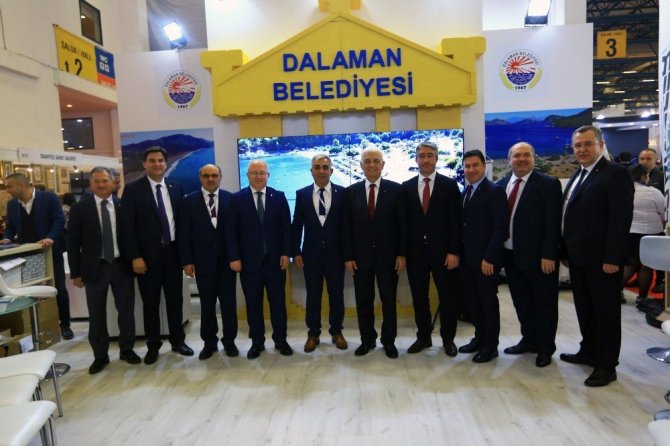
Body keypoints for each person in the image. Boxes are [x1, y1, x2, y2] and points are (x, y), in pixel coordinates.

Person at [560, 125, 634, 387]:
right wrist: (565, 252)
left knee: (606, 314)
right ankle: (588, 350)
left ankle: (606, 365)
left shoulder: (615, 174)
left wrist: (613, 257)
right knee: (586, 310)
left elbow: (620, 219)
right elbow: (571, 216)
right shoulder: (578, 174)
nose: (582, 149)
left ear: (601, 145)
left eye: (587, 144)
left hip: (603, 261)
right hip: (579, 259)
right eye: (577, 145)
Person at [120, 146, 193, 365]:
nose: (157, 164)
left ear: (165, 163)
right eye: (152, 160)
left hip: (172, 254)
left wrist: (186, 257)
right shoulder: (133, 190)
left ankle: (178, 341)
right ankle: (153, 346)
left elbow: (182, 225)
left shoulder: (175, 187)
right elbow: (127, 227)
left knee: (175, 301)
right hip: (146, 259)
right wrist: (135, 256)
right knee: (150, 304)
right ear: (144, 164)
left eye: (160, 160)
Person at [66, 167, 140, 374]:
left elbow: (131, 235)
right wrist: (76, 273)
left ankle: (127, 350)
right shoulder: (80, 208)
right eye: (97, 181)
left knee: (126, 312)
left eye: (105, 180)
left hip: (121, 266)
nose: (101, 185)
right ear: (91, 184)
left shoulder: (123, 205)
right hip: (94, 269)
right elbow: (72, 242)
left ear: (113, 182)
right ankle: (100, 356)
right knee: (97, 315)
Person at [497, 142, 562, 368]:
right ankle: (528, 339)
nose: (522, 159)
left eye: (527, 155)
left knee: (544, 304)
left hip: (539, 259)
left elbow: (553, 223)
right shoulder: (502, 184)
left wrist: (549, 254)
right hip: (511, 256)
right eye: (517, 155)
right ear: (509, 159)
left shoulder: (548, 184)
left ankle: (545, 348)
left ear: (534, 158)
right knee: (521, 302)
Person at [342, 146, 408, 359]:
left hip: (389, 258)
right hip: (360, 259)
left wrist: (402, 254)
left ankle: (389, 341)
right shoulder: (350, 192)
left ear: (383, 165)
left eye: (376, 161)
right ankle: (367, 340)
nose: (371, 165)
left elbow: (403, 226)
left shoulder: (396, 190)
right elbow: (347, 228)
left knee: (389, 301)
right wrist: (348, 256)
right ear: (361, 165)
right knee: (364, 301)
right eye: (367, 161)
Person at [226, 159, 292, 359]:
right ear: (248, 176)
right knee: (253, 305)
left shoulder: (279, 197)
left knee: (278, 304)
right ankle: (257, 342)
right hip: (248, 263)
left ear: (268, 175)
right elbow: (231, 232)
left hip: (275, 263)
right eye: (254, 173)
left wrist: (286, 253)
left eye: (262, 172)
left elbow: (286, 229)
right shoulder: (237, 199)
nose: (258, 176)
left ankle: (281, 340)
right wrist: (234, 257)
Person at [402, 141, 461, 357]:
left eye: (429, 155)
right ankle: (424, 337)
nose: (425, 159)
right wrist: (403, 253)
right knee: (419, 297)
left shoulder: (449, 185)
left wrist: (454, 251)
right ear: (416, 159)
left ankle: (448, 339)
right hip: (416, 254)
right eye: (422, 156)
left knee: (447, 298)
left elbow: (456, 222)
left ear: (436, 158)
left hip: (444, 254)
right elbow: (404, 224)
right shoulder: (406, 187)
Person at [1, 173, 73, 340]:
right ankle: (38, 325)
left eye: (9, 186)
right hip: (26, 255)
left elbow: (58, 220)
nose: (7, 190)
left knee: (59, 288)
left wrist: (50, 237)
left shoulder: (49, 198)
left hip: (50, 252)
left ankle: (65, 325)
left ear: (20, 185)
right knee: (30, 290)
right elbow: (11, 227)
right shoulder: (12, 204)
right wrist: (7, 238)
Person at [179, 164, 238, 360]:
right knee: (207, 306)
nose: (210, 179)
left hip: (227, 264)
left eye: (214, 175)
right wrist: (187, 261)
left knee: (229, 305)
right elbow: (184, 233)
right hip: (202, 263)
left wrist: (236, 257)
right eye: (206, 176)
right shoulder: (188, 201)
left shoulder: (231, 199)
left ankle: (229, 342)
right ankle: (209, 343)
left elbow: (236, 232)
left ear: (220, 177)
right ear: (200, 178)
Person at [291, 154, 347, 353]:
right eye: (317, 167)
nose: (321, 171)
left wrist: (348, 254)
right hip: (310, 255)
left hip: (336, 255)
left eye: (325, 167)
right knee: (313, 296)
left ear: (331, 170)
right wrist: (296, 251)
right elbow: (297, 225)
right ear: (311, 171)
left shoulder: (343, 193)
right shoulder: (302, 194)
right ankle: (313, 334)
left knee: (336, 295)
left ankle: (336, 332)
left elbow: (347, 226)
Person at [458, 150, 507, 363]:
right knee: (473, 303)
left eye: (475, 165)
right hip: (467, 260)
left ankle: (490, 346)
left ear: (484, 166)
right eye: (467, 166)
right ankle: (479, 338)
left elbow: (500, 228)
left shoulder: (494, 192)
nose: (471, 169)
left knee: (487, 304)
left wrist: (490, 258)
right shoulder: (466, 191)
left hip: (485, 261)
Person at [623, 164, 665, 307]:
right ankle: (642, 298)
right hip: (652, 234)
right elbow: (663, 212)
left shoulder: (624, 192)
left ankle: (615, 292)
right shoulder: (653, 192)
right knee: (646, 266)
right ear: (644, 176)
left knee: (630, 264)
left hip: (630, 233)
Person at [637, 148, 665, 294]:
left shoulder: (662, 177)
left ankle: (660, 281)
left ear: (655, 160)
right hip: (636, 226)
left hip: (656, 225)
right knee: (636, 259)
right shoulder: (633, 175)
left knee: (657, 256)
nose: (644, 162)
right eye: (642, 158)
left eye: (648, 159)